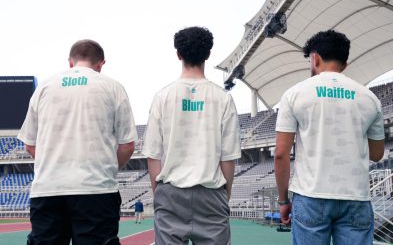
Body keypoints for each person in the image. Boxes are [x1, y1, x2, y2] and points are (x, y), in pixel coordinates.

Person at [18, 39, 138, 245]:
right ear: (101, 64)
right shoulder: (112, 87)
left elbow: (30, 144)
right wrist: (107, 167)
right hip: (96, 189)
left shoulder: (44, 87)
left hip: (49, 188)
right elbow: (127, 144)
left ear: (70, 62)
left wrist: (54, 163)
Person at [274, 30, 385, 245]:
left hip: (310, 195)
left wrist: (283, 200)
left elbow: (280, 154)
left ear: (315, 58)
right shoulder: (370, 98)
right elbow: (377, 154)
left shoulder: (294, 94)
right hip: (356, 197)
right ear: (345, 64)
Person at [142, 26, 241, 244]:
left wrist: (159, 192)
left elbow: (152, 154)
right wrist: (226, 193)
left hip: (171, 191)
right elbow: (228, 156)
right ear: (208, 54)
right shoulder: (222, 98)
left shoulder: (163, 97)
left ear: (178, 54)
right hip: (211, 192)